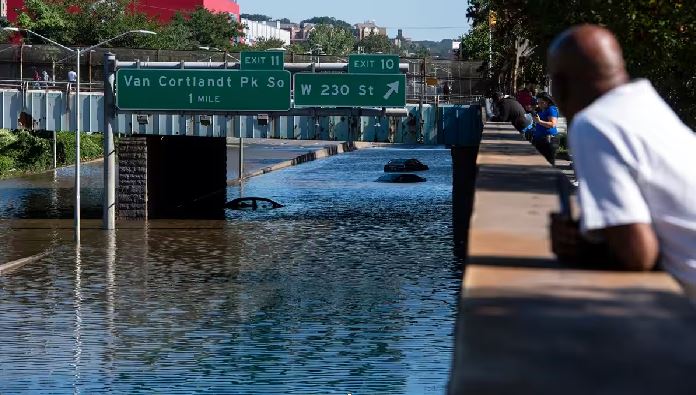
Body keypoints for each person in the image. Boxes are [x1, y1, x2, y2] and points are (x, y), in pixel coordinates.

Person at [548, 24, 696, 301]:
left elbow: (637, 254)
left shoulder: (594, 124)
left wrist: (582, 250)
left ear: (560, 85)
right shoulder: (646, 104)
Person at [531, 91, 559, 165]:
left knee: (548, 163)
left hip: (548, 139)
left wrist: (539, 121)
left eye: (542, 102)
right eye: (538, 102)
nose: (539, 104)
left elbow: (552, 124)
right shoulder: (542, 109)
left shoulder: (551, 109)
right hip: (540, 139)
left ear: (548, 101)